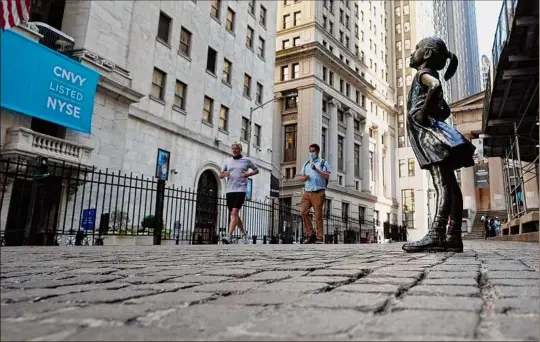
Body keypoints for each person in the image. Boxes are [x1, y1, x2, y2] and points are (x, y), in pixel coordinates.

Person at [401, 37, 475, 253]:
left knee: (441, 183)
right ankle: (454, 236)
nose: (413, 52)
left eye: (416, 48)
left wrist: (422, 113)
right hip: (433, 131)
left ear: (426, 55)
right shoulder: (428, 74)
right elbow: (445, 111)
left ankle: (437, 233)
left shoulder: (423, 74)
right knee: (451, 184)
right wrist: (430, 109)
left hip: (428, 133)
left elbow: (435, 86)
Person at [220, 142, 259, 244]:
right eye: (233, 148)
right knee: (234, 215)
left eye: (237, 148)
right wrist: (224, 174)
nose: (235, 150)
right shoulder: (227, 161)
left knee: (234, 213)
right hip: (230, 190)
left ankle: (229, 236)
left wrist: (249, 174)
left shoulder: (246, 160)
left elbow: (256, 170)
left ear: (240, 150)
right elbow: (220, 174)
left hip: (241, 190)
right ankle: (243, 232)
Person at [297, 143, 331, 244]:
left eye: (313, 151)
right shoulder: (306, 163)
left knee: (318, 215)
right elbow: (301, 178)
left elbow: (326, 176)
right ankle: (311, 234)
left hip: (318, 192)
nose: (311, 153)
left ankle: (320, 237)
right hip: (307, 192)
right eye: (310, 151)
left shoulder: (324, 162)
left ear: (318, 151)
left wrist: (316, 169)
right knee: (303, 212)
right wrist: (304, 178)